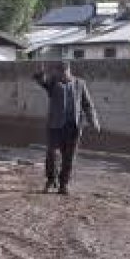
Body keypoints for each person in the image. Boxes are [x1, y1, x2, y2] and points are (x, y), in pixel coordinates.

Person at [32, 61, 101, 195]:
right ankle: (51, 179)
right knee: (52, 154)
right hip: (55, 127)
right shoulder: (52, 83)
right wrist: (40, 74)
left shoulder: (80, 84)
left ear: (68, 71)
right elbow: (42, 82)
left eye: (63, 73)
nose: (61, 76)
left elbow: (87, 104)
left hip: (73, 127)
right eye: (58, 74)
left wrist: (94, 121)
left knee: (69, 158)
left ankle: (63, 185)